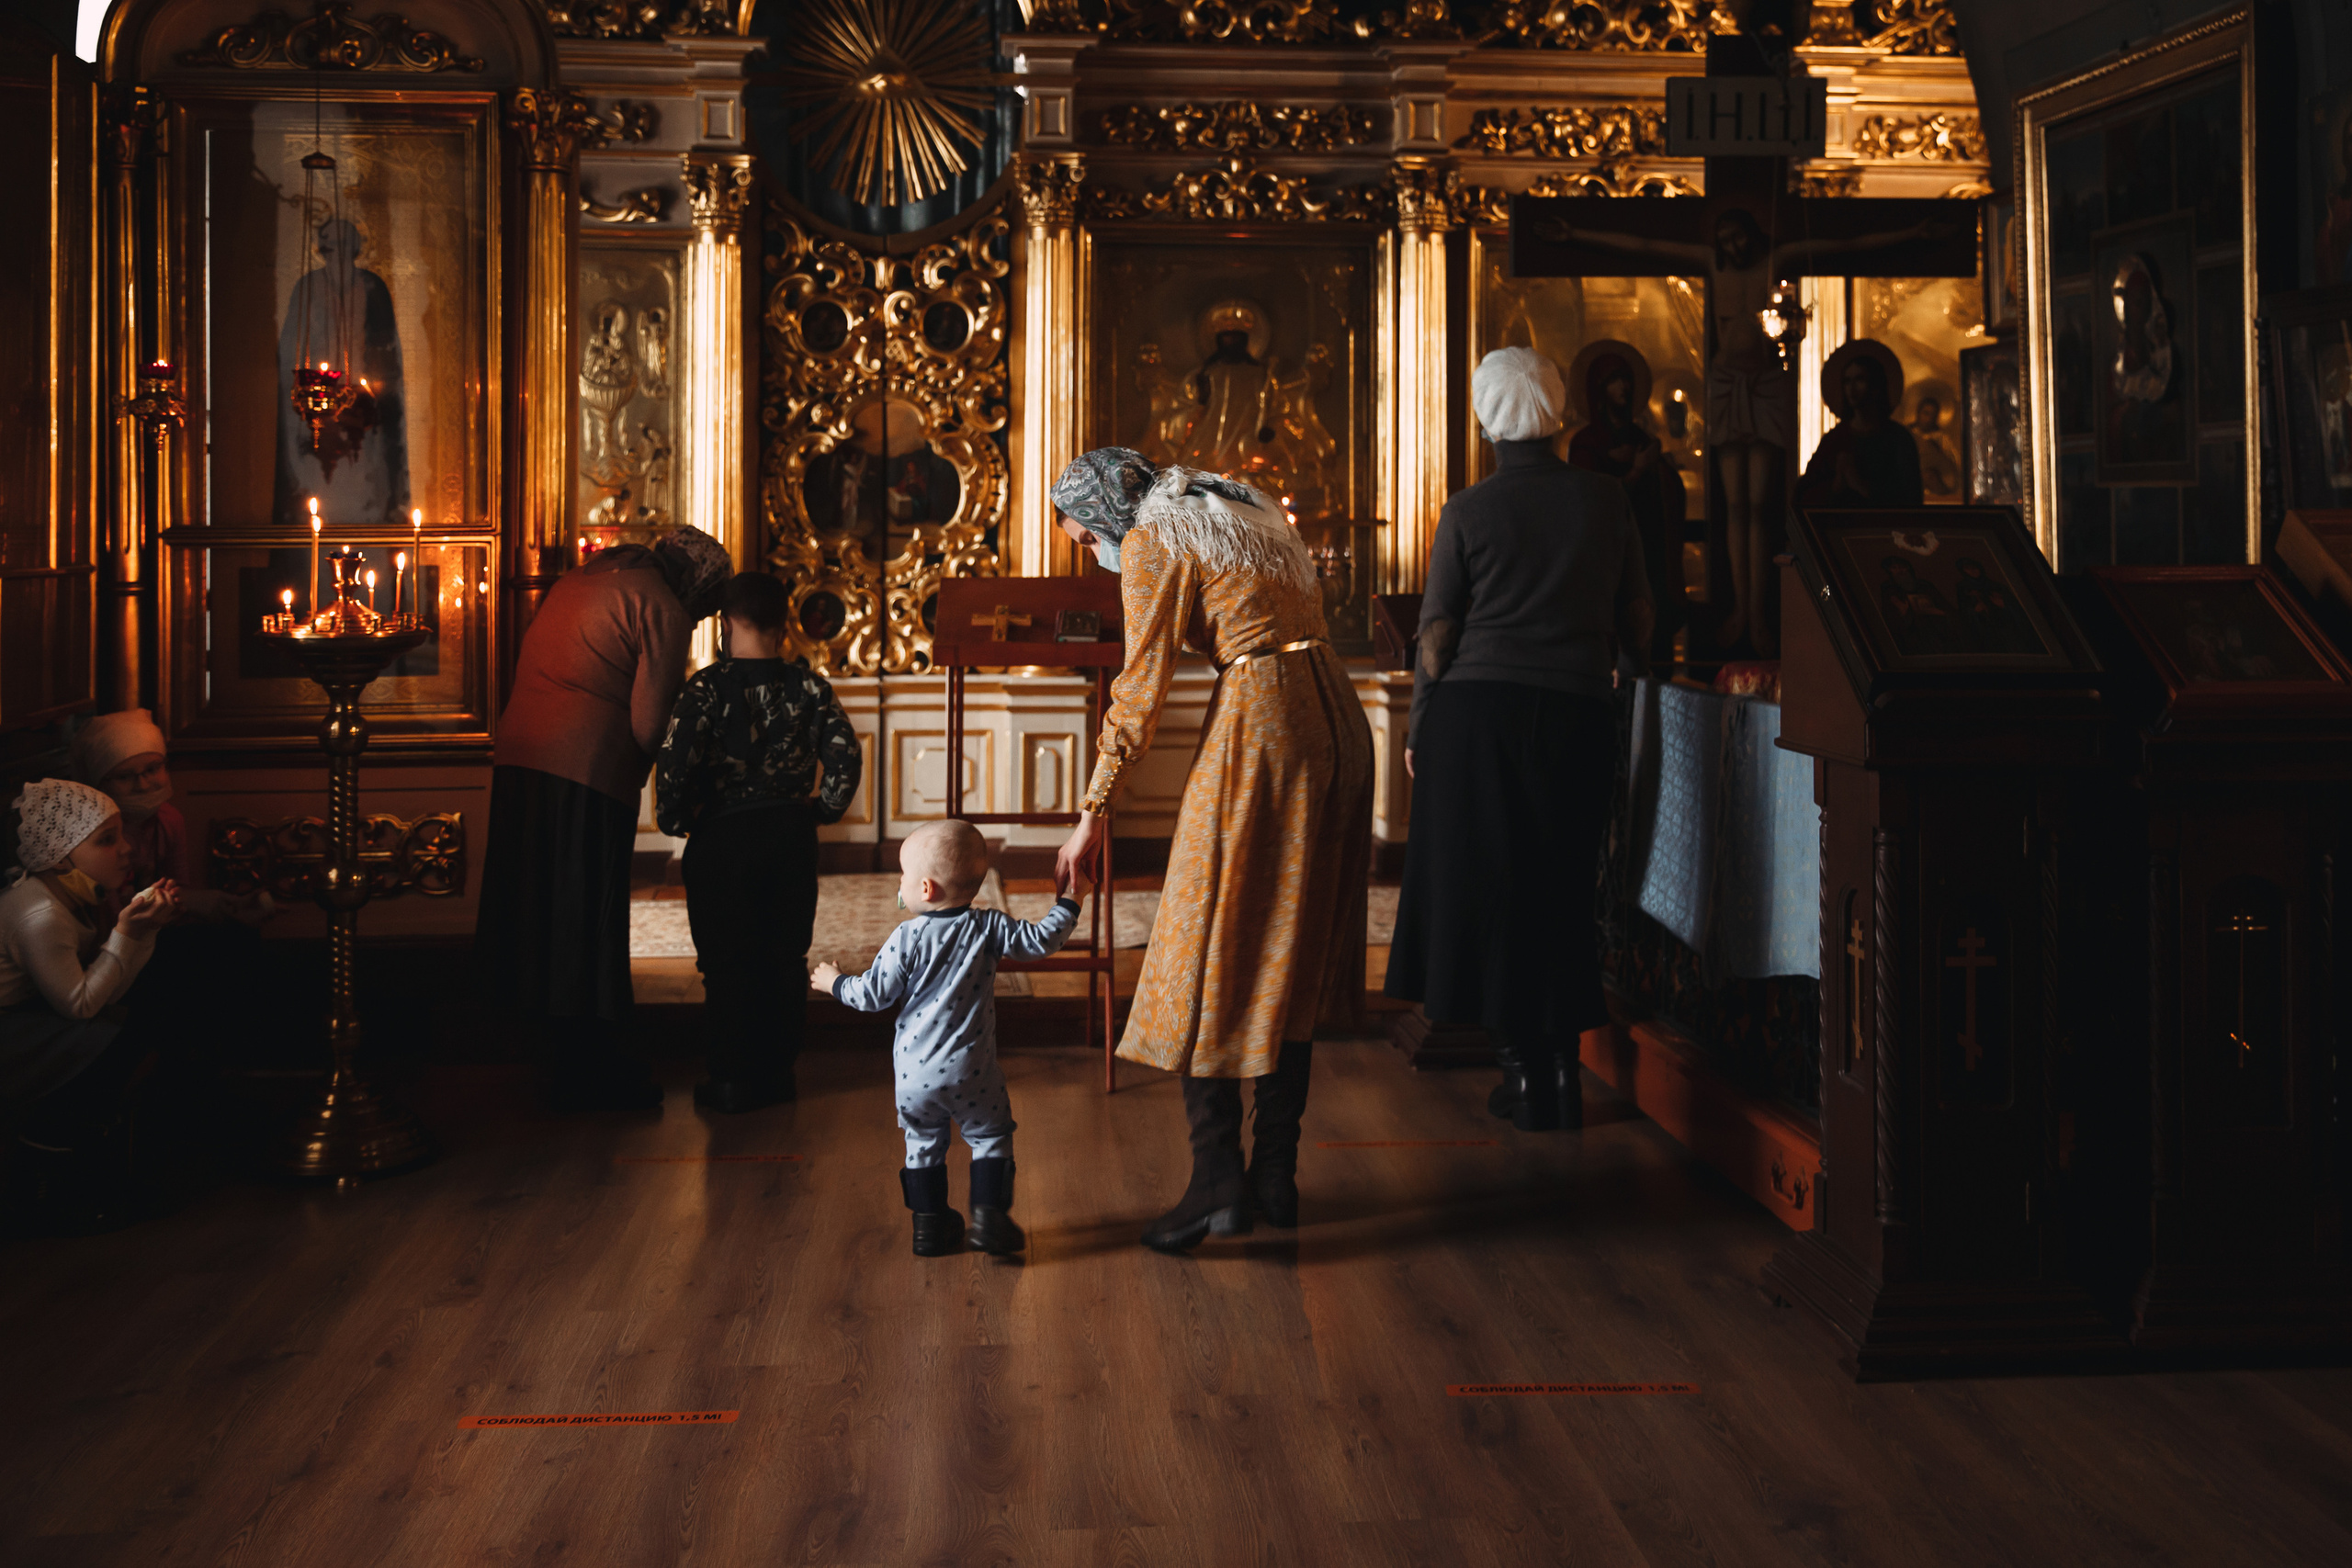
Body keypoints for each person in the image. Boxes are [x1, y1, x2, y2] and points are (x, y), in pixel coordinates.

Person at [1050, 448, 1374, 1252]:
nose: (1087, 550)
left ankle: (1216, 1179)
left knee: (1203, 941)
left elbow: (1141, 682)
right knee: (1285, 949)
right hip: (1335, 712)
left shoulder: (1157, 536)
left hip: (1263, 721)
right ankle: (1274, 1176)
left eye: (1084, 535)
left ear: (1106, 515)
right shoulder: (1241, 503)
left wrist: (1094, 807)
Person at [1385, 348, 1654, 1132]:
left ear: (1485, 419)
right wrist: (1633, 702)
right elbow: (1637, 617)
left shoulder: (1468, 510)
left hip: (1477, 720)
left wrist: (1420, 728)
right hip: (1577, 716)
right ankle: (1565, 1074)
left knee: (1489, 893)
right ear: (1560, 411)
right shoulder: (1607, 501)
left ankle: (1522, 1078)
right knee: (1563, 888)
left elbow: (1436, 636)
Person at [476, 525, 732, 1111]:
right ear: (696, 584)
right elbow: (648, 725)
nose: (696, 618)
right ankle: (597, 1070)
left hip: (522, 758)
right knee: (584, 919)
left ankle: (551, 1060)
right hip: (584, 773)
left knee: (540, 917)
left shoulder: (589, 578)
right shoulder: (661, 606)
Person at [812, 819, 1080, 1258]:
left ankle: (929, 1227)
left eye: (902, 876)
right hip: (973, 1071)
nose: (899, 884)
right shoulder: (988, 927)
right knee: (990, 1135)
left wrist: (835, 982)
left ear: (926, 888)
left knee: (922, 1143)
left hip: (914, 1079)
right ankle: (989, 1218)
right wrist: (1071, 898)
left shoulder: (906, 937)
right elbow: (1041, 940)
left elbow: (874, 995)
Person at [653, 571, 862, 1113]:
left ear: (726, 624)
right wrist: (821, 811)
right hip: (788, 834)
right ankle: (777, 1075)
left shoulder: (704, 688)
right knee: (784, 957)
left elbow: (674, 763)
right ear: (783, 623)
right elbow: (845, 753)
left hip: (723, 837)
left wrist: (675, 820)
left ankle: (729, 1078)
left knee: (726, 962)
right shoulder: (810, 685)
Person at [2, 780, 180, 1225]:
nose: (127, 850)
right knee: (113, 1039)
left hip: (28, 1017)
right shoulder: (39, 914)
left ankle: (91, 1161)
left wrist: (143, 931)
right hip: (10, 1029)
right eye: (106, 840)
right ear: (61, 856)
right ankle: (50, 1162)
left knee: (139, 1015)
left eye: (121, 835)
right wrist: (127, 934)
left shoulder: (66, 896)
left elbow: (99, 994)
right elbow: (81, 1006)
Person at [1567, 347, 1688, 663]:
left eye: (1626, 379)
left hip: (1647, 556)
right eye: (1614, 380)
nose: (1624, 387)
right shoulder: (1586, 444)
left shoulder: (1642, 439)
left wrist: (1659, 469)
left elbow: (1668, 492)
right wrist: (1636, 470)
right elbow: (1589, 503)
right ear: (1598, 389)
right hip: (1607, 559)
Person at [1796, 346, 1923, 510]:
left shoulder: (1898, 439)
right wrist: (1836, 486)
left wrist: (1861, 485)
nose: (1852, 388)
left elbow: (1911, 499)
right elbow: (1803, 496)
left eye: (1860, 380)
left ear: (1876, 386)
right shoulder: (1834, 440)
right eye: (1847, 381)